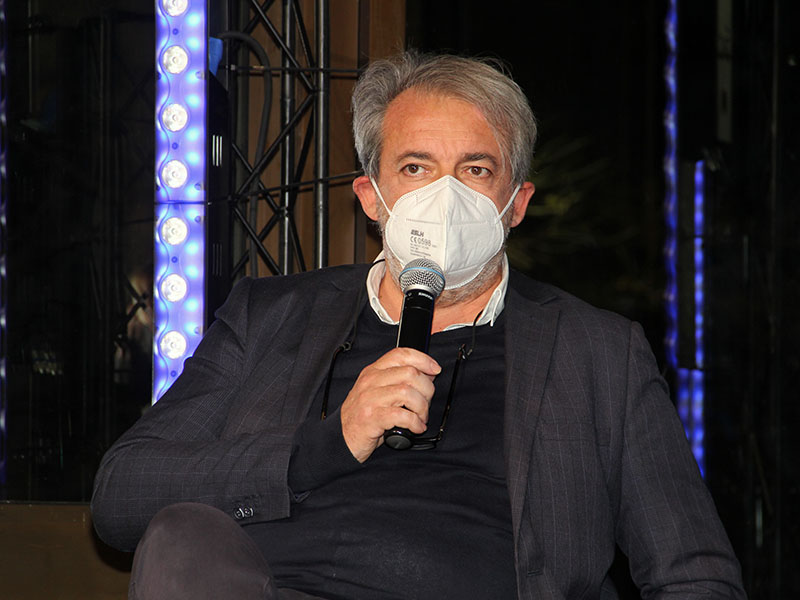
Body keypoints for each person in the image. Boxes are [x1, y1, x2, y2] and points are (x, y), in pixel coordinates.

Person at [91, 51, 746, 600]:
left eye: (476, 170)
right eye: (416, 168)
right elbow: (122, 495)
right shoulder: (269, 315)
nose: (444, 197)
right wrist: (325, 445)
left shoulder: (598, 353)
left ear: (516, 204)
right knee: (183, 539)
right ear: (371, 198)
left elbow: (695, 574)